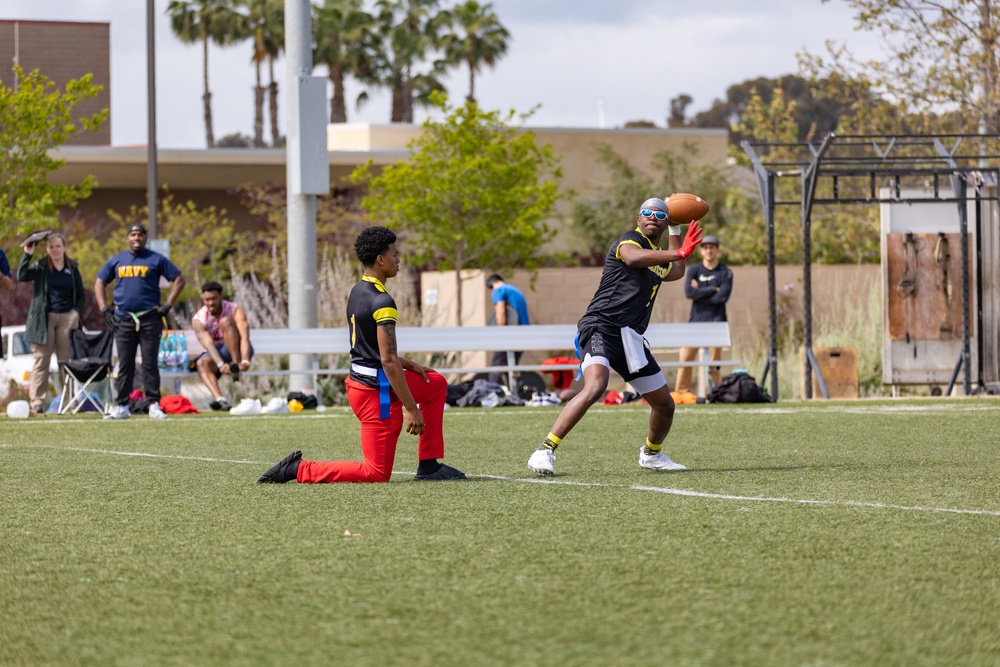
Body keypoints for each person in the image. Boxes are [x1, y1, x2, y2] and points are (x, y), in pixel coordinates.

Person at [258, 226, 465, 484]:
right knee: (376, 473)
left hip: (365, 384)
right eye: (395, 254)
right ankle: (298, 469)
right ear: (380, 259)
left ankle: (430, 465)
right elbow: (387, 360)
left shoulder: (358, 290)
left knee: (434, 384)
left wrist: (409, 363)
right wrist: (412, 408)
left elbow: (370, 349)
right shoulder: (383, 301)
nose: (398, 260)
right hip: (375, 393)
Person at [527, 197, 703, 476]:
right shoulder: (629, 241)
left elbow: (676, 271)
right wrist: (678, 253)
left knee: (665, 403)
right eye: (646, 212)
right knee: (596, 385)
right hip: (601, 326)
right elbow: (635, 258)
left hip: (630, 337)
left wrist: (676, 231)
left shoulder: (659, 256)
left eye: (659, 214)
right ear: (638, 218)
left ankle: (651, 454)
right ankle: (544, 450)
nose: (652, 217)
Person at [94, 223, 185, 420]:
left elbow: (178, 279)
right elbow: (100, 281)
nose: (137, 238)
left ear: (145, 238)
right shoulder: (118, 260)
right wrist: (104, 309)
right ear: (128, 238)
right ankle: (122, 406)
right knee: (125, 363)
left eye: (140, 235)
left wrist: (167, 305)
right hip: (123, 319)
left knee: (150, 362)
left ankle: (153, 404)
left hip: (150, 318)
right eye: (133, 234)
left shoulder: (156, 259)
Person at [17, 233, 86, 414]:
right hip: (44, 318)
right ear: (47, 249)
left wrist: (76, 313)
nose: (55, 249)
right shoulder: (41, 266)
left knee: (65, 361)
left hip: (66, 318)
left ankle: (69, 400)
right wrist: (28, 253)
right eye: (51, 246)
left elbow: (80, 294)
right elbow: (22, 275)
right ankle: (37, 401)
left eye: (58, 246)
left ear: (64, 248)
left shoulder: (72, 268)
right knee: (42, 360)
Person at [674, 234, 733, 403]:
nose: (709, 251)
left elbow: (722, 298)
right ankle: (681, 392)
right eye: (705, 248)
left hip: (717, 322)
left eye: (712, 247)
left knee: (714, 360)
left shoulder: (725, 272)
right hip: (696, 322)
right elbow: (689, 293)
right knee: (685, 356)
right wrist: (713, 289)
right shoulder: (694, 270)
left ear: (717, 250)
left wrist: (700, 291)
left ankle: (715, 392)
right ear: (701, 251)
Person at [190, 280, 254, 411]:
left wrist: (245, 359)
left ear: (221, 297)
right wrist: (220, 364)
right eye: (207, 300)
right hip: (218, 353)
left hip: (239, 350)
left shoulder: (235, 310)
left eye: (214, 299)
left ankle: (235, 366)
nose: (210, 303)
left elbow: (245, 336)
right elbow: (209, 345)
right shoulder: (199, 318)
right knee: (201, 363)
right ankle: (221, 400)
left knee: (225, 322)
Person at [485, 273, 531, 386]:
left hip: (511, 335)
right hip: (524, 334)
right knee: (509, 366)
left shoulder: (499, 290)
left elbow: (501, 311)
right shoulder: (515, 291)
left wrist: (501, 332)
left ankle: (493, 392)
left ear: (493, 284)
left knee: (496, 364)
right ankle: (514, 394)